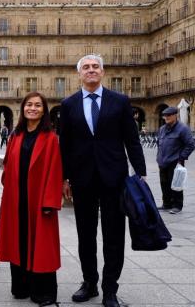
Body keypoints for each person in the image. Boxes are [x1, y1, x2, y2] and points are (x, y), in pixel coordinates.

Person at [60, 55, 146, 307]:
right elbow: (64, 144)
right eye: (85, 67)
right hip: (82, 178)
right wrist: (64, 177)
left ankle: (110, 288)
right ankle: (89, 283)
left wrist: (139, 173)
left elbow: (132, 139)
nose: (91, 70)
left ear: (103, 72)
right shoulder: (69, 104)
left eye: (95, 66)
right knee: (85, 234)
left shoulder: (119, 101)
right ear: (79, 74)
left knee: (114, 235)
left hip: (114, 178)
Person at [0, 92, 62, 307]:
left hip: (39, 200)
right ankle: (21, 287)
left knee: (41, 245)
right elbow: (8, 162)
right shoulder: (16, 135)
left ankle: (43, 292)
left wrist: (50, 202)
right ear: (23, 109)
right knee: (19, 241)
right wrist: (8, 180)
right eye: (28, 105)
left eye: (37, 105)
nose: (32, 108)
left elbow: (55, 171)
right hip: (17, 198)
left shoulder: (50, 138)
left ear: (44, 110)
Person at [156, 106, 195, 214]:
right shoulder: (162, 129)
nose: (166, 117)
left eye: (168, 115)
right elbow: (159, 143)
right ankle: (166, 204)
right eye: (165, 116)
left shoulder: (183, 129)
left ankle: (177, 205)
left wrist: (181, 158)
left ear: (175, 115)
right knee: (164, 183)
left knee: (176, 184)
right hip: (162, 162)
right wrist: (158, 157)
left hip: (175, 162)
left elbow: (190, 145)